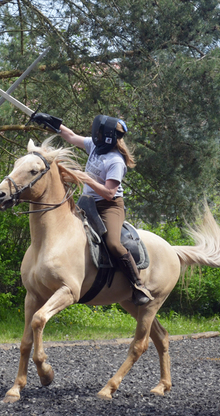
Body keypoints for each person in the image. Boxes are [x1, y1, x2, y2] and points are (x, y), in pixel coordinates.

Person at [31, 113, 153, 305]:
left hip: (109, 206)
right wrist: (52, 122)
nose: (94, 136)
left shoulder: (115, 161)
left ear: (107, 137)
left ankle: (137, 284)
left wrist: (86, 178)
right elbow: (70, 136)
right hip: (87, 202)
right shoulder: (96, 147)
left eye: (98, 133)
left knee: (113, 243)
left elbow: (110, 193)